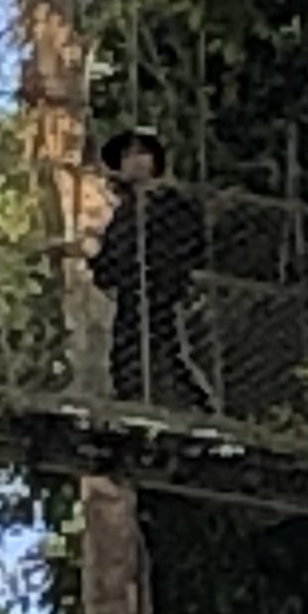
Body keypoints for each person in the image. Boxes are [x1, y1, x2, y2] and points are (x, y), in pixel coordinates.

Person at [88, 127, 210, 407]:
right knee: (125, 355)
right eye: (127, 155)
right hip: (132, 295)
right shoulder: (124, 211)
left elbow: (190, 242)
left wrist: (172, 273)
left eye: (141, 153)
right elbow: (110, 256)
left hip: (163, 293)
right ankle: (131, 403)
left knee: (167, 351)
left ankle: (196, 407)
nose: (134, 161)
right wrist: (101, 267)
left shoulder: (171, 202)